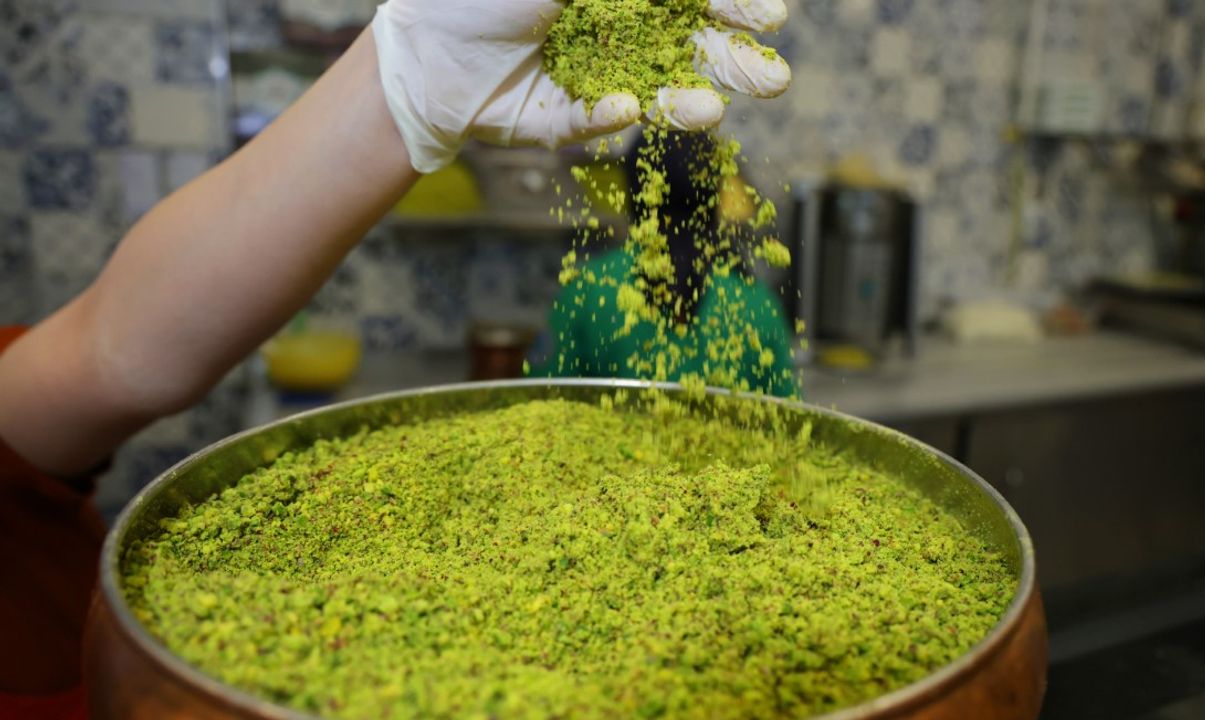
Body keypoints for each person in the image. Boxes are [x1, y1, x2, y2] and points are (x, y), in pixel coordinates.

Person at [0, 0, 790, 715]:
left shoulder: (596, 284)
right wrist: (404, 77)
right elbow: (778, 422)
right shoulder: (753, 303)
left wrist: (398, 79)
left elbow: (552, 402)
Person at [529, 130, 797, 397]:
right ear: (716, 194)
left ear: (633, 191)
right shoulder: (756, 303)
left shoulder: (589, 289)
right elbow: (788, 413)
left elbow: (542, 398)